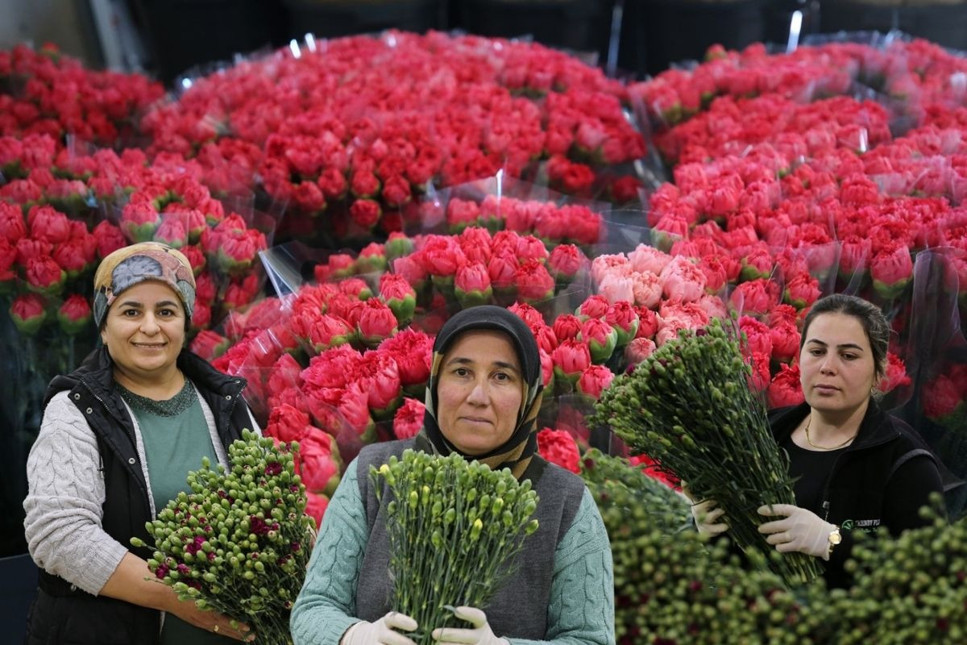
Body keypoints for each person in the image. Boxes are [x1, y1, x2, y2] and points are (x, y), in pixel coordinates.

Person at [291, 305, 615, 644]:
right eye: (461, 372)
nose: (478, 396)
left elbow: (590, 639)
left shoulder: (565, 502)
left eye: (501, 376)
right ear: (435, 381)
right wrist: (355, 636)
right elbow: (313, 608)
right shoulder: (374, 474)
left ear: (528, 395)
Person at [23, 242, 260, 644]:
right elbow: (58, 536)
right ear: (103, 325)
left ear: (184, 323)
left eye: (166, 312)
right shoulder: (75, 409)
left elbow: (271, 504)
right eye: (131, 311)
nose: (150, 327)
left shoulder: (224, 402)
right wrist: (182, 601)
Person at [690, 293, 945, 589]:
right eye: (816, 351)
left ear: (877, 371)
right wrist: (709, 531)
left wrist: (832, 541)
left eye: (848, 356)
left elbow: (929, 576)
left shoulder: (905, 462)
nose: (827, 367)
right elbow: (737, 561)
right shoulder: (760, 435)